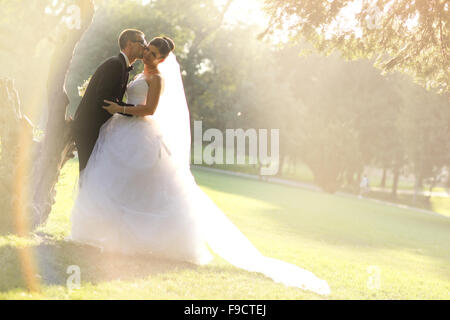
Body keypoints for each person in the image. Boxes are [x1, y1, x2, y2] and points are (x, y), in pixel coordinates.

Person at [70, 36, 331, 296]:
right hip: (121, 132)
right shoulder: (139, 72)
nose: (147, 55)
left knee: (145, 186)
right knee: (116, 181)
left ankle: (143, 240)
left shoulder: (158, 78)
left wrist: (121, 108)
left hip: (140, 134)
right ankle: (110, 234)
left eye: (152, 54)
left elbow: (149, 110)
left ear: (161, 59)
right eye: (147, 50)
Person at [72, 29, 147, 175]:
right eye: (142, 42)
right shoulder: (115, 64)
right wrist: (135, 111)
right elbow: (105, 100)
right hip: (89, 129)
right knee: (88, 177)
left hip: (96, 129)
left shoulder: (122, 66)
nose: (145, 46)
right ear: (129, 44)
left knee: (94, 177)